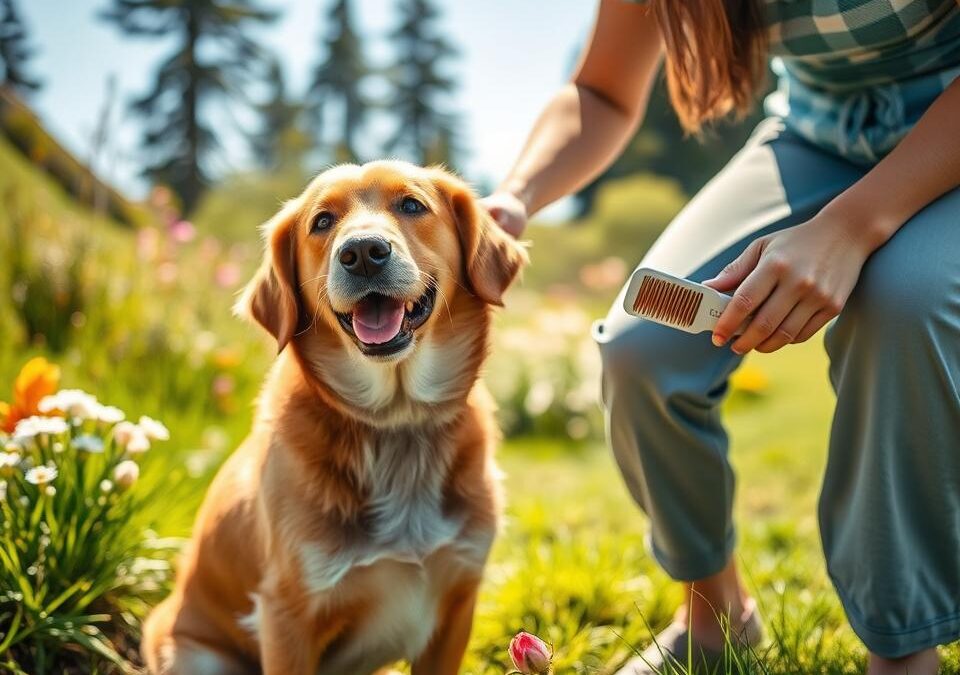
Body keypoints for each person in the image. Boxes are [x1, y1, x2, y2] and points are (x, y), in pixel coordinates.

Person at [481, 1, 960, 673]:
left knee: (903, 304)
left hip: (948, 130)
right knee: (640, 344)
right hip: (818, 134)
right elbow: (600, 90)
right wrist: (516, 197)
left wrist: (850, 228)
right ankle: (715, 619)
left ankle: (903, 643)